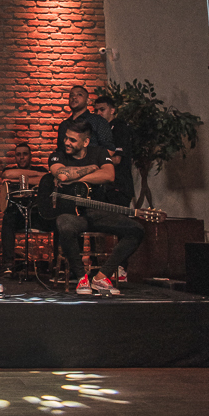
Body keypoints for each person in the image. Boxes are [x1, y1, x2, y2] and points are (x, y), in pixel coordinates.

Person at [49, 121, 144, 296]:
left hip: (97, 212)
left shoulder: (99, 152)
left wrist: (74, 177)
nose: (67, 143)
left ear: (85, 142)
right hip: (72, 215)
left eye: (72, 140)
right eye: (66, 138)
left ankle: (101, 277)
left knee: (136, 230)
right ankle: (81, 278)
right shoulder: (58, 155)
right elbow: (61, 174)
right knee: (64, 225)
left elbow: (108, 175)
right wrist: (91, 168)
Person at [0, 143, 48, 275]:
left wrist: (20, 177)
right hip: (18, 214)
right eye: (18, 155)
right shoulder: (9, 169)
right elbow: (7, 174)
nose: (21, 158)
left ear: (30, 156)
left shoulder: (41, 169)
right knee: (7, 219)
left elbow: (45, 178)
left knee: (56, 220)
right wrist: (34, 177)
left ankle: (56, 266)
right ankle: (8, 265)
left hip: (37, 214)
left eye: (25, 154)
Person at [93, 93, 135, 206]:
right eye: (96, 111)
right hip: (102, 186)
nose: (98, 113)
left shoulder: (119, 127)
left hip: (118, 186)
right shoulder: (97, 130)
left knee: (117, 221)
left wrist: (92, 162)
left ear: (112, 110)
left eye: (102, 110)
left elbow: (117, 159)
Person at [56, 85, 113, 153]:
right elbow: (60, 150)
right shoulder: (64, 124)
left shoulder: (98, 121)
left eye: (79, 94)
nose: (74, 97)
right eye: (71, 95)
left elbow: (109, 150)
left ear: (87, 100)